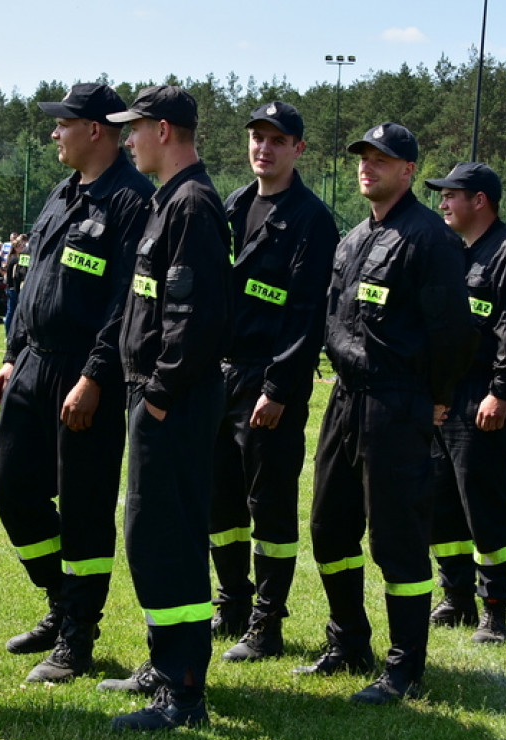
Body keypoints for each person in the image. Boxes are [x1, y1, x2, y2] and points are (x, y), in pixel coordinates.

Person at [295, 123, 476, 704]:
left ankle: (405, 665)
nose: (368, 166)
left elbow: (452, 331)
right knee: (329, 527)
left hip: (397, 402)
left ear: (407, 170)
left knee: (397, 537)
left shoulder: (429, 239)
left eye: (383, 159)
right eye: (364, 157)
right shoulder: (352, 239)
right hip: (346, 398)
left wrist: (437, 394)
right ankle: (349, 640)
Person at [0, 83, 154, 685]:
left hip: (87, 373)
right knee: (11, 489)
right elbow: (33, 282)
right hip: (33, 362)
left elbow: (125, 304)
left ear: (97, 129)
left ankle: (79, 635)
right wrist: (11, 355)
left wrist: (95, 375)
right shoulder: (61, 194)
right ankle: (60, 601)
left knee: (84, 506)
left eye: (64, 123)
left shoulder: (134, 202)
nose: (54, 133)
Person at [97, 85, 231, 732]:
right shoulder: (166, 202)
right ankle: (164, 664)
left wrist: (157, 396)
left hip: (171, 403)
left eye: (137, 128)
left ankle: (183, 694)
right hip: (153, 398)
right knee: (150, 537)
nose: (128, 139)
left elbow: (195, 320)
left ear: (167, 130)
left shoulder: (195, 205)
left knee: (170, 541)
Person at [208, 102, 338, 661]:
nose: (264, 148)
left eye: (277, 140)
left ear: (298, 149)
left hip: (269, 377)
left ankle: (268, 623)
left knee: (270, 505)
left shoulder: (312, 219)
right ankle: (231, 601)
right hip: (221, 374)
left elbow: (308, 316)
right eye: (257, 138)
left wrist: (280, 389)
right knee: (221, 503)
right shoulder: (234, 206)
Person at [421, 162, 506, 643]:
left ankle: (494, 607)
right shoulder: (451, 250)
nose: (443, 203)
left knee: (484, 502)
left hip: (484, 398)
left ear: (481, 200)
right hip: (445, 398)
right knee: (441, 501)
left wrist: (501, 390)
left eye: (452, 194)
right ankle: (455, 596)